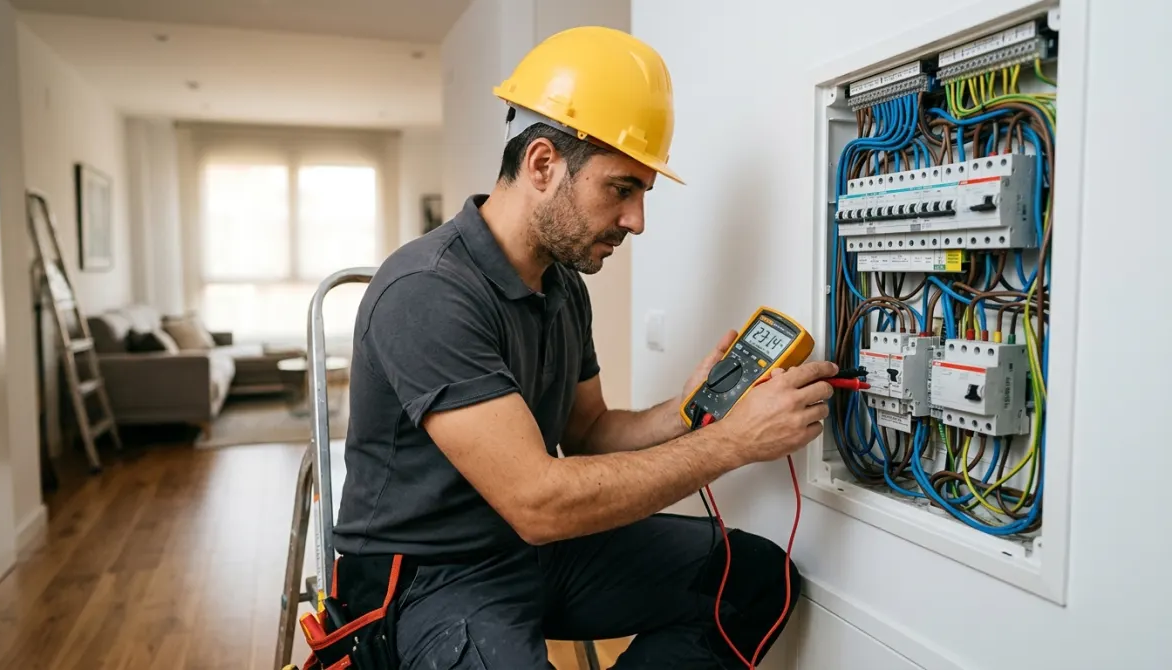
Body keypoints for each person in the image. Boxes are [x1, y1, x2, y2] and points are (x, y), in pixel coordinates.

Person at [332, 25, 837, 669]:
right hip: (429, 576)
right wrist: (733, 443)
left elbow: (590, 431)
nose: (636, 221)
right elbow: (539, 501)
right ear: (543, 164)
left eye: (642, 194)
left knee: (754, 578)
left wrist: (686, 412)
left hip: (532, 550)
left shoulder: (562, 285)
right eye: (621, 188)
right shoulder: (428, 291)